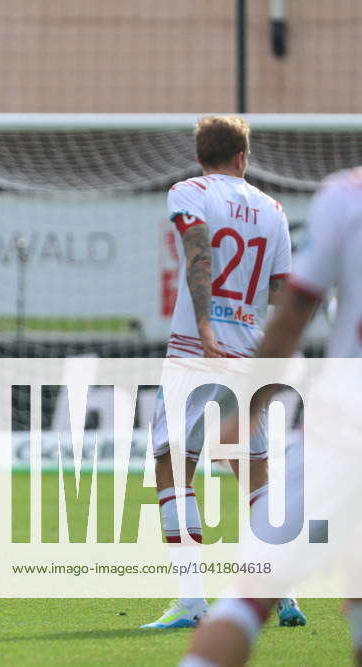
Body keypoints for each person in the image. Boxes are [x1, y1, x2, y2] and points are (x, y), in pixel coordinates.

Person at [180, 167, 362, 666]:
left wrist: (249, 407)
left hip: (347, 424)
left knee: (248, 595)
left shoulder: (346, 197)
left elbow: (293, 313)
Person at [142, 116, 305, 628]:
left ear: (200, 155)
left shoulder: (189, 192)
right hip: (251, 355)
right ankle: (285, 592)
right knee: (255, 473)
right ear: (242, 157)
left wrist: (209, 328)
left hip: (198, 351)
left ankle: (191, 602)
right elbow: (281, 293)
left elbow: (198, 254)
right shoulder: (273, 210)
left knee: (171, 465)